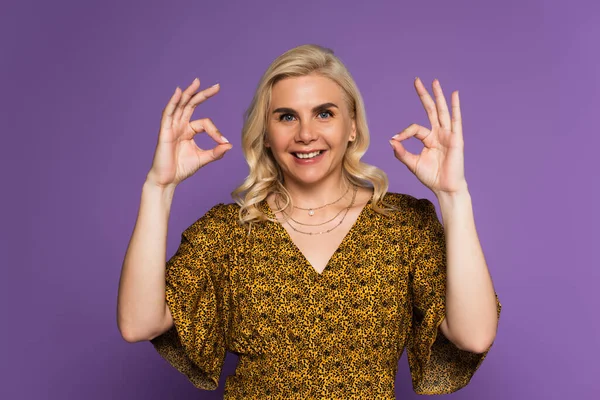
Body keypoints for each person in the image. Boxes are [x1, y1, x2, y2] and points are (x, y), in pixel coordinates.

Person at [117, 44, 501, 399]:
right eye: (286, 117)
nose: (305, 134)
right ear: (266, 134)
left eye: (324, 113)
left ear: (352, 126)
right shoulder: (227, 231)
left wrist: (453, 196)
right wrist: (158, 187)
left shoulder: (404, 225)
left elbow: (474, 335)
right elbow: (138, 324)